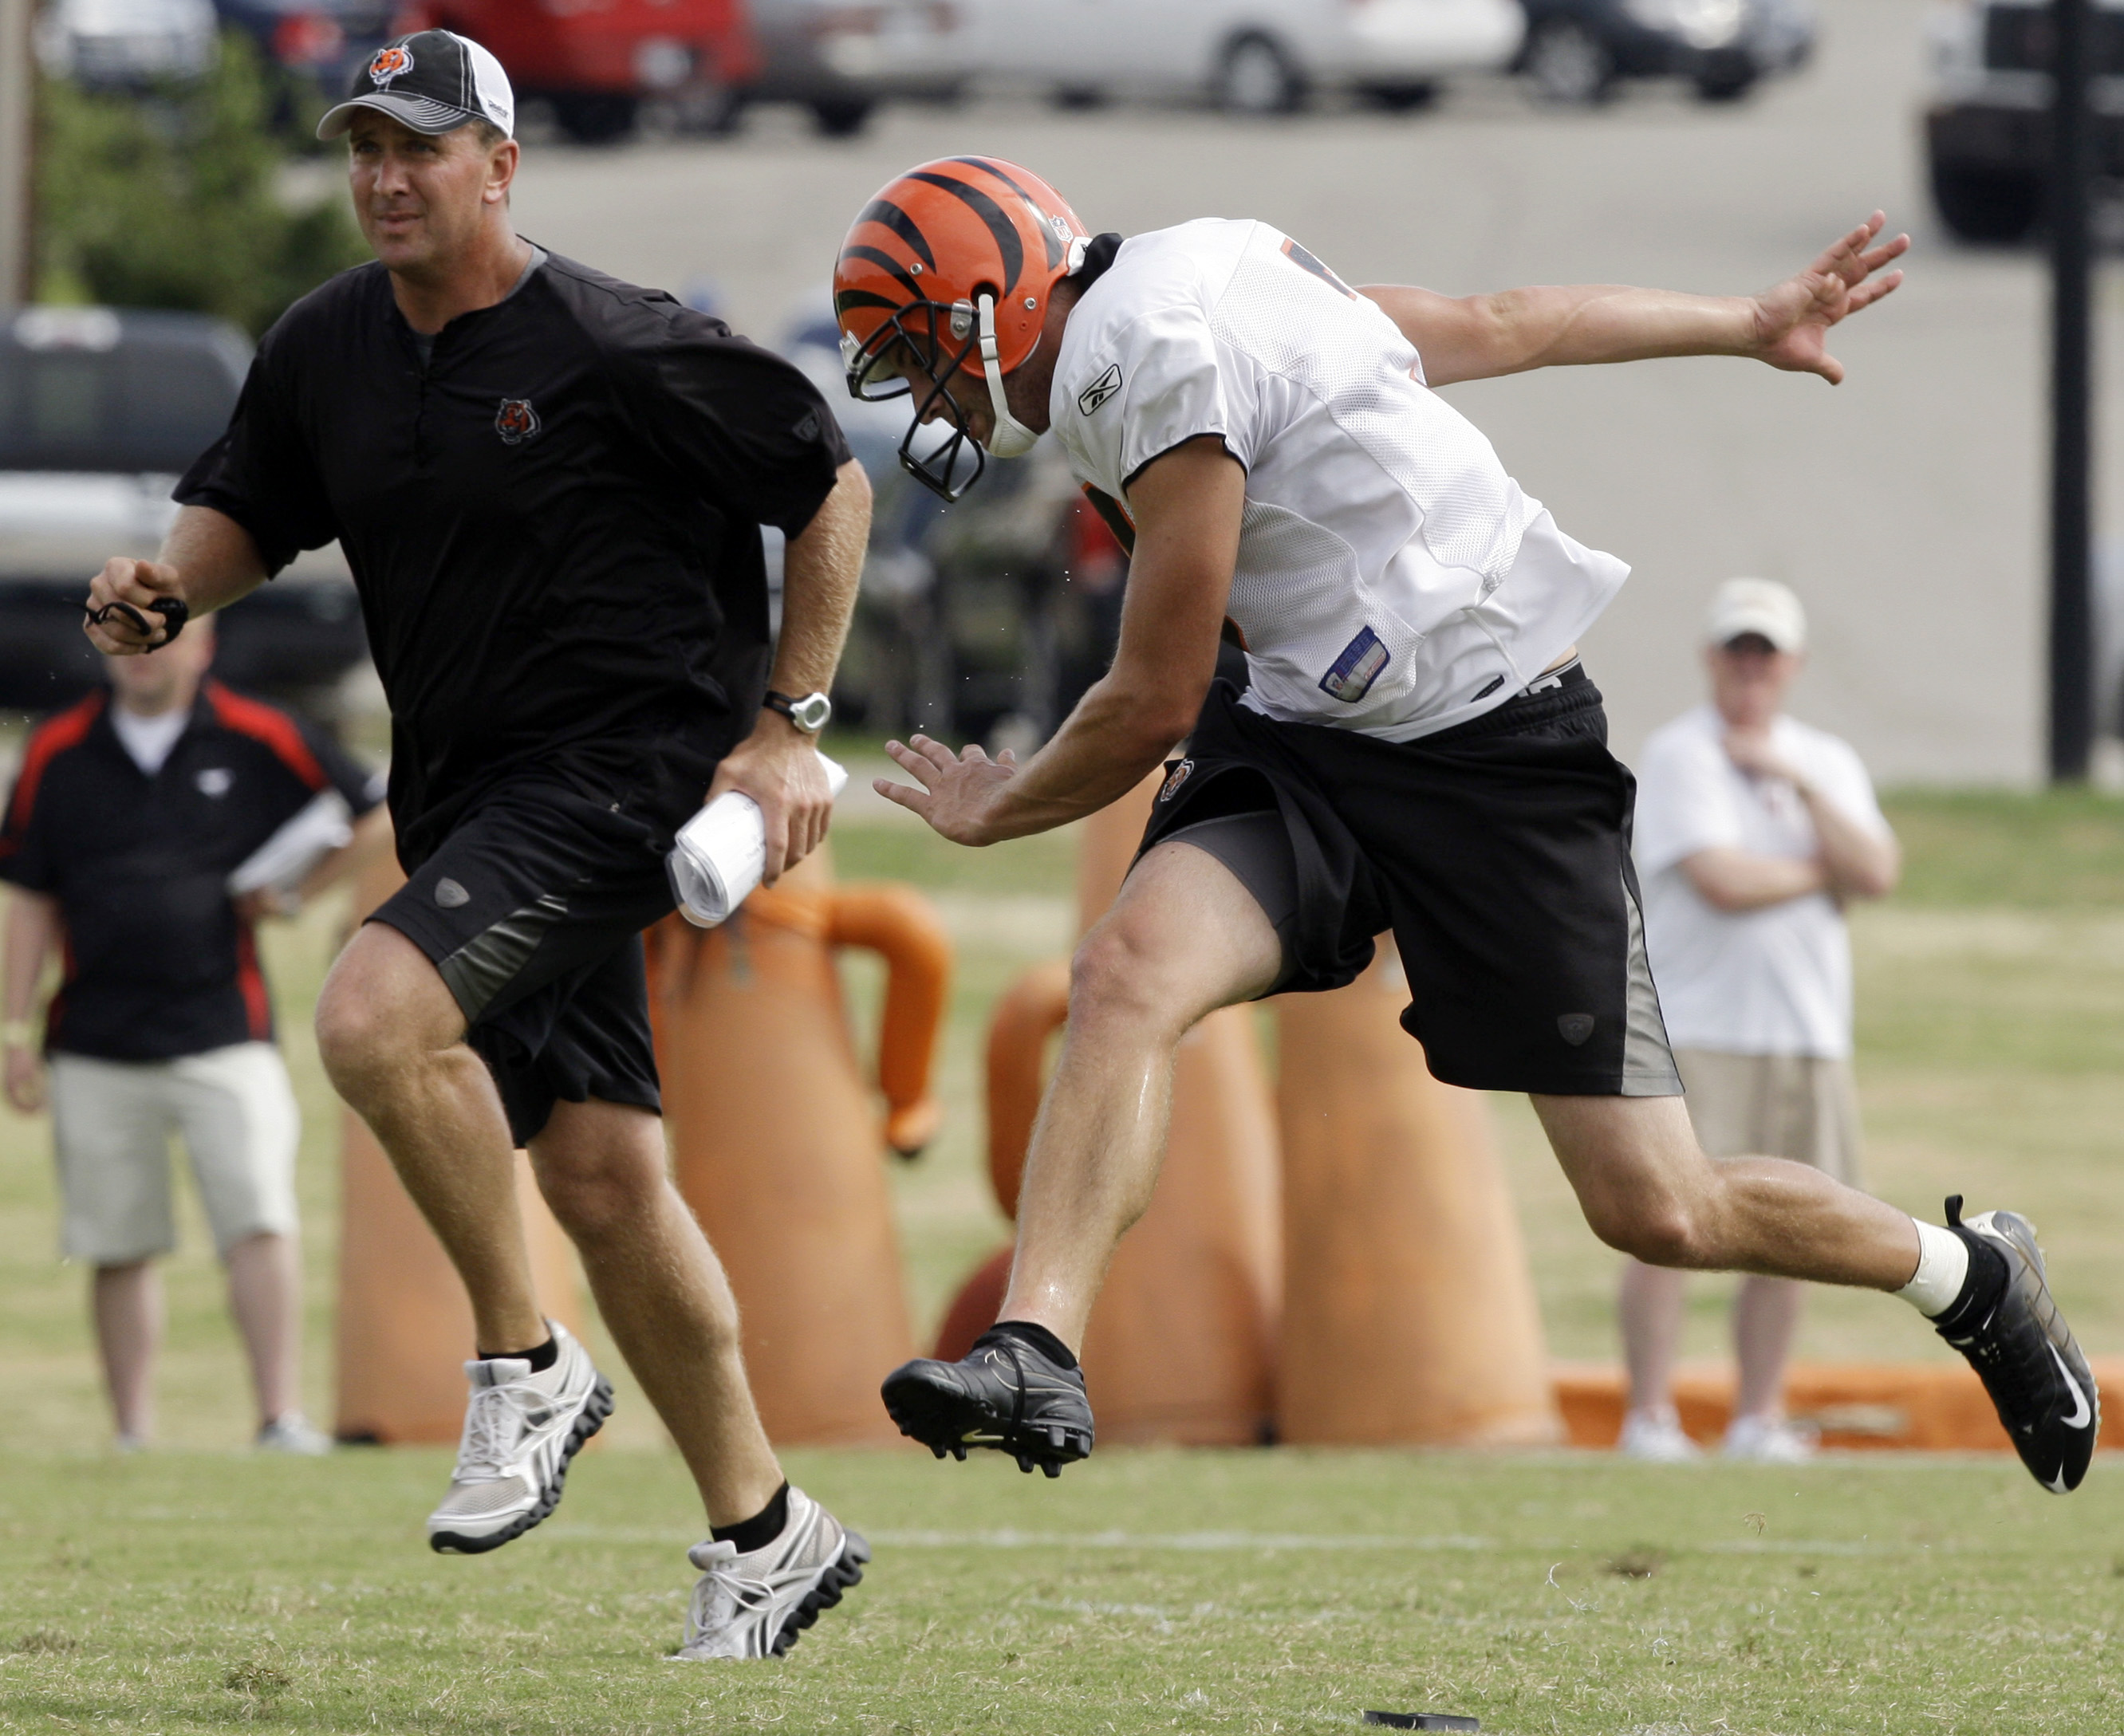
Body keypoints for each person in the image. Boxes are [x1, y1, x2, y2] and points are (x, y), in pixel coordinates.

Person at [832, 158, 2098, 1495]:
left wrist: (999, 807)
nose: (919, 391)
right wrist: (1736, 320)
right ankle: (1034, 1342)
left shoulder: (1141, 354)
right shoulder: (1201, 276)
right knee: (1127, 971)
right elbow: (1497, 322)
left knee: (1658, 1208)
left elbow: (1149, 699)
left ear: (996, 309)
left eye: (917, 350)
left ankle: (1969, 1274)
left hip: (1492, 751)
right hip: (1310, 739)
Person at [82, 30, 874, 1660]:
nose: (384, 176)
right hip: (462, 792)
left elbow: (827, 480)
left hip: (620, 774)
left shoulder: (616, 342)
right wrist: (170, 586)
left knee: (370, 1016)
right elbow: (255, 504)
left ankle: (527, 1363)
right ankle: (766, 1529)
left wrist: (788, 721)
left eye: (420, 148)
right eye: (365, 147)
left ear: (499, 167)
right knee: (599, 1172)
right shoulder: (326, 344)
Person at [2, 616, 388, 1452]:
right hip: (94, 1033)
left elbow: (373, 812)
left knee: (257, 1215)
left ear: (202, 644)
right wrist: (12, 1024)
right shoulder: (57, 751)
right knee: (118, 1236)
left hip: (223, 1025)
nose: (148, 657)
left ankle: (278, 1416)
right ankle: (132, 1429)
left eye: (165, 638)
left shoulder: (257, 731)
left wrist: (295, 893)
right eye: (130, 641)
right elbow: (30, 891)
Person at [1618, 578, 1900, 1463]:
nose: (1749, 667)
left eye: (1764, 652)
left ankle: (1756, 1416)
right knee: (1670, 1223)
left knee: (1792, 1232)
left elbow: (1879, 867)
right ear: (1711, 657)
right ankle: (1649, 1415)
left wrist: (1799, 788)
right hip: (1703, 1025)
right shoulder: (1680, 754)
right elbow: (1720, 878)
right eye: (1736, 649)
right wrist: (1824, 870)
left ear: (1791, 664)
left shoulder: (1824, 760)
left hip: (1806, 1029)